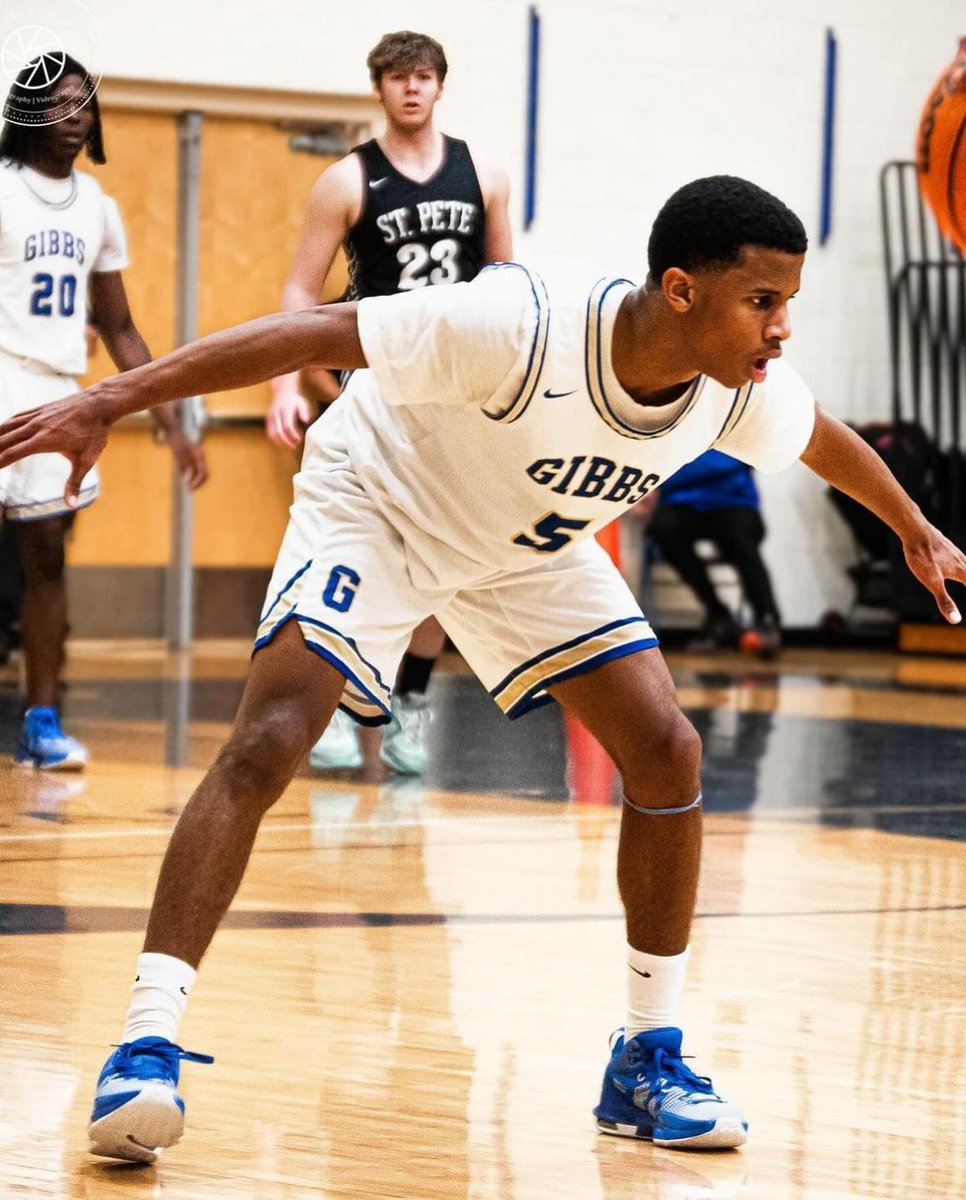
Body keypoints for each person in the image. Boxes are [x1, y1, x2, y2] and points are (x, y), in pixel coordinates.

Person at [2, 175, 964, 1161]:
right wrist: (110, 399)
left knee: (668, 750)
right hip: (377, 501)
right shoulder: (518, 324)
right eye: (764, 302)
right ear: (680, 290)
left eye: (788, 304)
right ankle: (144, 1044)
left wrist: (916, 529)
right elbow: (308, 335)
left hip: (519, 549)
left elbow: (822, 438)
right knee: (273, 737)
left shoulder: (733, 392)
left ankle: (645, 1059)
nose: (781, 329)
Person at [267, 30, 512, 775]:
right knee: (358, 555)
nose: (412, 88)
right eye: (399, 77)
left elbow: (508, 285)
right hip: (376, 380)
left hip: (459, 387)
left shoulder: (485, 173)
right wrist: (284, 383)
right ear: (378, 88)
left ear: (441, 86)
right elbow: (299, 293)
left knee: (447, 556)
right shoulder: (346, 180)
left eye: (424, 76)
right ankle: (344, 706)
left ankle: (408, 703)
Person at [0, 58, 208, 769]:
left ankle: (42, 722)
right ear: (29, 111)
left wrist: (171, 420)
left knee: (48, 554)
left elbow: (119, 328)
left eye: (85, 106)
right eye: (60, 104)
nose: (76, 117)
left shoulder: (97, 205)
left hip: (58, 390)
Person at [642, 448, 782, 656]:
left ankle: (766, 619)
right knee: (662, 528)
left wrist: (671, 479)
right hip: (682, 502)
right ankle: (718, 614)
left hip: (733, 500)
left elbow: (746, 457)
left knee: (738, 537)